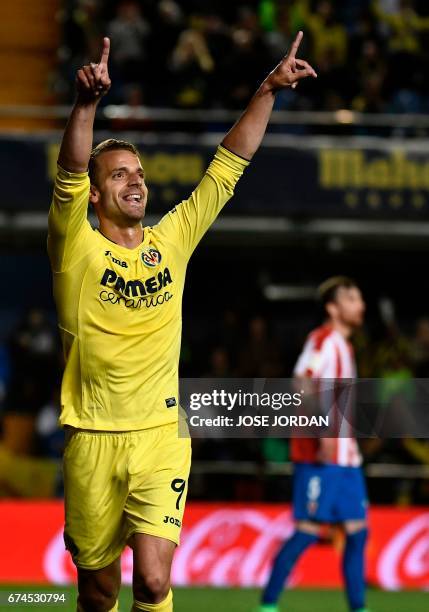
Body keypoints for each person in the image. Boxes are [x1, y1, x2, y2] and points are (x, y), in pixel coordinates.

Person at [48, 32, 316, 612]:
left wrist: (267, 90)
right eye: (119, 174)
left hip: (161, 436)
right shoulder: (75, 247)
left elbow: (227, 169)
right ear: (95, 196)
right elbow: (69, 172)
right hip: (92, 437)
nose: (136, 180)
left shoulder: (171, 241)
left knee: (152, 580)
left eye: (138, 172)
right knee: (98, 592)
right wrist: (86, 107)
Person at [259, 276, 369, 612]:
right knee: (307, 532)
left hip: (347, 460)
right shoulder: (323, 340)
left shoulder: (345, 346)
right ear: (332, 308)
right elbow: (302, 381)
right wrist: (322, 431)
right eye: (352, 298)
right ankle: (267, 605)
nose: (360, 305)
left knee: (357, 534)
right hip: (322, 457)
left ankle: (359, 608)